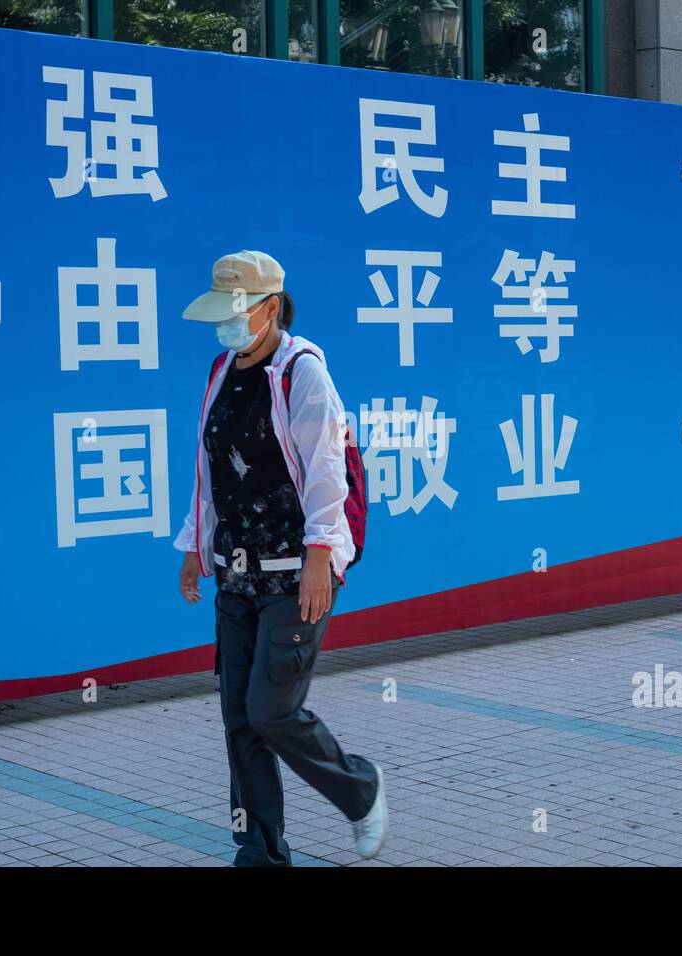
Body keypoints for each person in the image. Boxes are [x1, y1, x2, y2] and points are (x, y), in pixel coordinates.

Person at [175, 249, 387, 867]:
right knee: (240, 721)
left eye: (237, 312)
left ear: (271, 308)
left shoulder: (303, 371)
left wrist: (321, 554)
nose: (227, 326)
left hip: (297, 575)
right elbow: (208, 471)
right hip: (235, 574)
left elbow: (325, 471)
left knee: (272, 710)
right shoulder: (220, 371)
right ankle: (260, 854)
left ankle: (360, 788)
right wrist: (194, 544)